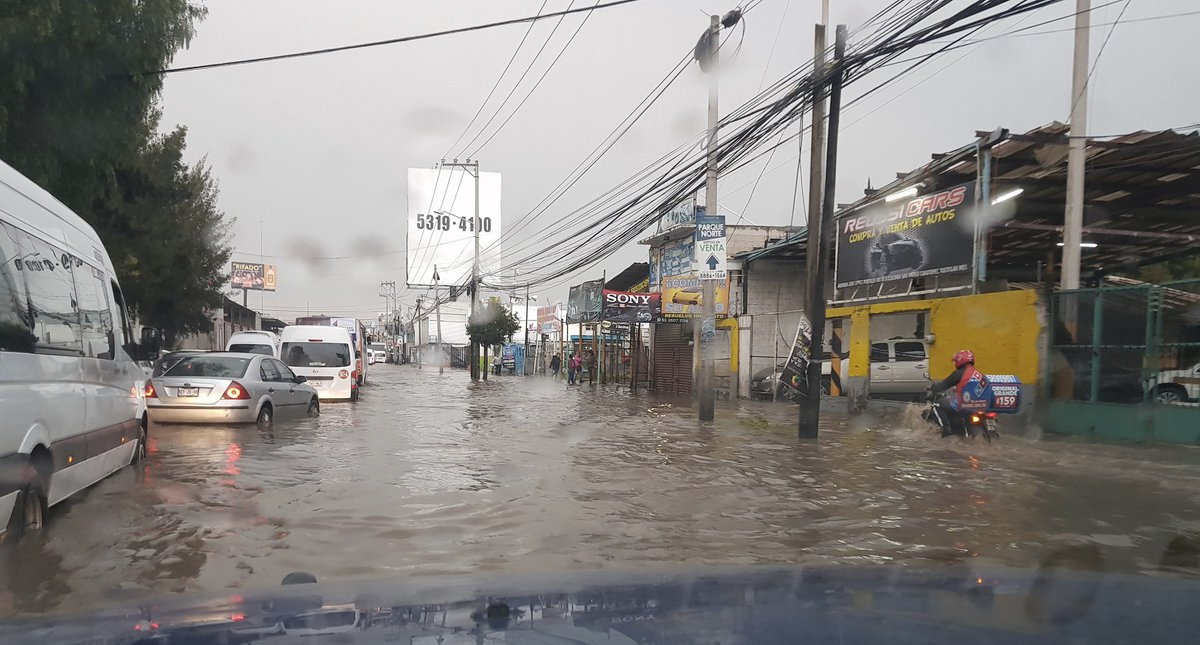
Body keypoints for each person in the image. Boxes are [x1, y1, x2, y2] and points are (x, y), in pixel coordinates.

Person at [929, 349, 987, 437]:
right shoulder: (978, 373)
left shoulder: (960, 373)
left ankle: (946, 431)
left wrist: (933, 389)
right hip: (979, 404)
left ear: (960, 360)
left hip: (965, 404)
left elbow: (944, 384)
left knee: (937, 404)